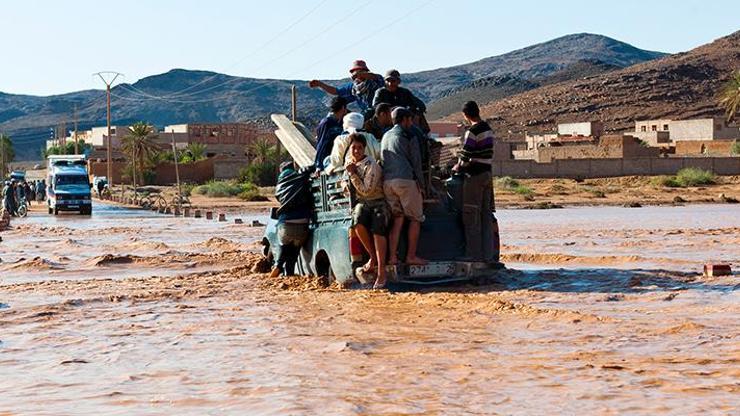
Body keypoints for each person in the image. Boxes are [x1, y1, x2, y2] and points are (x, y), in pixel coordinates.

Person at [381, 108, 427, 266]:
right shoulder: (408, 135)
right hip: (405, 181)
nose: (412, 122)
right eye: (410, 119)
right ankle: (411, 256)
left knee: (398, 218)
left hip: (388, 182)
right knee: (415, 218)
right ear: (405, 119)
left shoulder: (385, 135)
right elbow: (416, 162)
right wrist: (422, 186)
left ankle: (393, 257)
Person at [344, 133, 389, 289]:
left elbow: (367, 190)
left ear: (365, 149)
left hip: (377, 201)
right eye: (353, 148)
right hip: (363, 204)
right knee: (357, 223)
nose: (356, 151)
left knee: (378, 230)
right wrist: (347, 180)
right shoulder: (349, 163)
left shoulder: (371, 165)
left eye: (360, 148)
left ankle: (381, 271)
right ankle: (372, 257)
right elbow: (345, 183)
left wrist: (352, 174)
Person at [453, 100, 496, 261]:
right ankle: (487, 255)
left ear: (466, 115)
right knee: (485, 216)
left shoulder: (473, 131)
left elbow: (465, 155)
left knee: (471, 215)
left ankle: (473, 255)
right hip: (487, 174)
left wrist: (457, 166)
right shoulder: (488, 129)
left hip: (474, 176)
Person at [270, 161, 313, 278]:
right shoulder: (301, 177)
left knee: (284, 246)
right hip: (303, 223)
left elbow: (281, 199)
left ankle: (278, 266)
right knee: (294, 254)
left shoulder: (279, 186)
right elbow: (310, 169)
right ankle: (289, 273)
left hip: (286, 224)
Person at [309, 60, 384, 119]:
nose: (357, 74)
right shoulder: (354, 87)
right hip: (365, 114)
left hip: (380, 112)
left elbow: (375, 77)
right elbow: (336, 91)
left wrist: (359, 74)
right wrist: (320, 84)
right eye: (355, 72)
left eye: (361, 71)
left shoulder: (375, 81)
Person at [314, 96, 348, 171]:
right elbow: (322, 143)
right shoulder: (327, 123)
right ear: (343, 108)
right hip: (326, 161)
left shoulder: (340, 121)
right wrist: (318, 165)